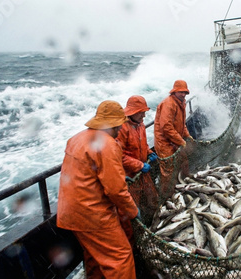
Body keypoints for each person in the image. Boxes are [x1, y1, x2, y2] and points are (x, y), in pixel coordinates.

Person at [57, 100, 139, 279]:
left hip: (69, 211)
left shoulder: (77, 138)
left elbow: (86, 172)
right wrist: (132, 211)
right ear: (113, 124)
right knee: (121, 257)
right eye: (119, 124)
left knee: (94, 254)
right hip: (92, 214)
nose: (120, 129)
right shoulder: (108, 145)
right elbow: (116, 191)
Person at [116, 95, 159, 224]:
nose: (144, 116)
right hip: (130, 177)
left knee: (152, 199)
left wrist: (150, 152)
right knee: (132, 208)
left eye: (144, 112)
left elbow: (144, 144)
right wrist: (139, 165)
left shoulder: (140, 125)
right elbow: (118, 156)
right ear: (132, 112)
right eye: (141, 113)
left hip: (142, 173)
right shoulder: (121, 128)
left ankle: (154, 223)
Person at [154, 80, 193, 201]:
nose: (183, 95)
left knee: (183, 161)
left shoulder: (181, 103)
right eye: (181, 92)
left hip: (175, 140)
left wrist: (188, 136)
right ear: (174, 91)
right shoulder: (169, 104)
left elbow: (182, 124)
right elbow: (166, 128)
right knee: (168, 171)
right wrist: (181, 141)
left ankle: (184, 184)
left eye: (185, 92)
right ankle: (167, 197)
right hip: (164, 143)